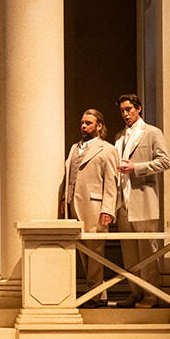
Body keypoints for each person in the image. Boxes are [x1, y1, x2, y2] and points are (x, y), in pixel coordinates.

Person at [114, 94, 170, 308]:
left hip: (143, 200)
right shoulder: (120, 136)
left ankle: (151, 296)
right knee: (129, 254)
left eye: (128, 109)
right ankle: (135, 292)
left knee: (147, 251)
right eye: (122, 110)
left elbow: (164, 161)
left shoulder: (152, 132)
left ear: (138, 109)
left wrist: (136, 168)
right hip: (123, 203)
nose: (125, 114)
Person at [59, 109, 119, 308]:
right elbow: (68, 176)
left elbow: (111, 182)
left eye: (88, 123)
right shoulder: (74, 148)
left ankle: (96, 296)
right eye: (82, 123)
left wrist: (108, 209)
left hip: (94, 206)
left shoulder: (108, 149)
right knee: (82, 250)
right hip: (73, 205)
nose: (83, 126)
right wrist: (63, 198)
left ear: (99, 126)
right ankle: (97, 294)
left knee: (95, 251)